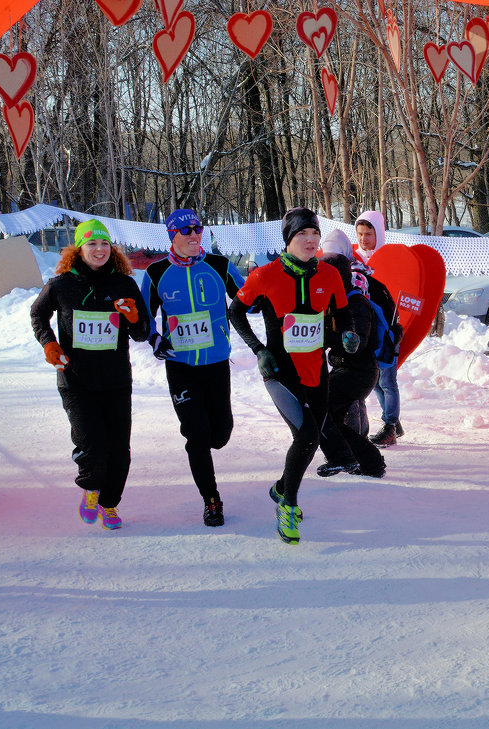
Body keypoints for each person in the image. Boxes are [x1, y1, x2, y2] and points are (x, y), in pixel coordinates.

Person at [227, 207, 358, 544]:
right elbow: (235, 312)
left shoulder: (330, 276)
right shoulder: (264, 275)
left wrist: (348, 335)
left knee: (310, 437)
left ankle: (283, 486)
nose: (311, 240)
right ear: (288, 239)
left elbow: (343, 317)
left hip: (316, 372)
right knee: (308, 436)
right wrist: (259, 350)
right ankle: (288, 506)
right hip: (280, 373)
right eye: (302, 234)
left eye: (315, 233)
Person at [30, 219, 151, 530]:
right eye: (92, 244)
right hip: (76, 380)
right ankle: (91, 487)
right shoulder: (61, 284)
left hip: (115, 381)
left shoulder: (124, 284)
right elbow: (38, 313)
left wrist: (134, 317)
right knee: (91, 443)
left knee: (119, 449)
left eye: (104, 244)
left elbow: (141, 333)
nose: (99, 250)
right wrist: (50, 343)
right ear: (79, 249)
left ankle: (109, 505)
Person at [141, 208, 246, 527]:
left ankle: (212, 442)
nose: (193, 235)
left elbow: (248, 298)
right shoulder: (156, 273)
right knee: (196, 435)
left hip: (216, 364)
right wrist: (155, 340)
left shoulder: (220, 265)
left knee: (220, 434)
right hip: (180, 366)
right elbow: (143, 317)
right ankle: (211, 499)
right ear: (172, 236)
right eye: (185, 231)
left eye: (197, 229)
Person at [314, 229, 388, 478]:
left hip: (359, 371)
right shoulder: (335, 300)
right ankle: (365, 461)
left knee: (322, 412)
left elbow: (358, 343)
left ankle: (350, 458)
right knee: (330, 417)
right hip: (347, 369)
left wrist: (326, 338)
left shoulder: (355, 301)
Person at [353, 209, 405, 447]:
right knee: (373, 380)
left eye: (369, 234)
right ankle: (393, 420)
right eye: (360, 234)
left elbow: (400, 293)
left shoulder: (391, 261)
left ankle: (390, 426)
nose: (364, 239)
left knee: (387, 380)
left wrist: (396, 329)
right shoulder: (354, 261)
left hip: (386, 330)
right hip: (366, 334)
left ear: (379, 233)